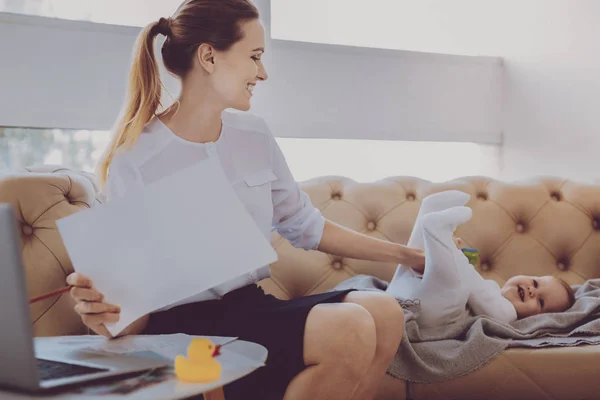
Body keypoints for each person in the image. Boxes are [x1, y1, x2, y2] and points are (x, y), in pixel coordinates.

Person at [65, 1, 425, 399]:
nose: (263, 72)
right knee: (351, 327)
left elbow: (307, 226)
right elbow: (129, 310)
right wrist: (106, 313)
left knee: (386, 313)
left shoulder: (254, 135)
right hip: (180, 326)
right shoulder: (136, 158)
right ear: (208, 56)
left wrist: (410, 256)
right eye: (255, 57)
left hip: (250, 306)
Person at [386, 190, 575, 328]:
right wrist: (449, 253)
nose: (532, 290)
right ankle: (429, 214)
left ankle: (435, 228)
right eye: (535, 282)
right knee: (415, 258)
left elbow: (472, 284)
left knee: (456, 287)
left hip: (427, 314)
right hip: (400, 295)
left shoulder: (506, 315)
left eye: (541, 302)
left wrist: (452, 251)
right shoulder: (494, 290)